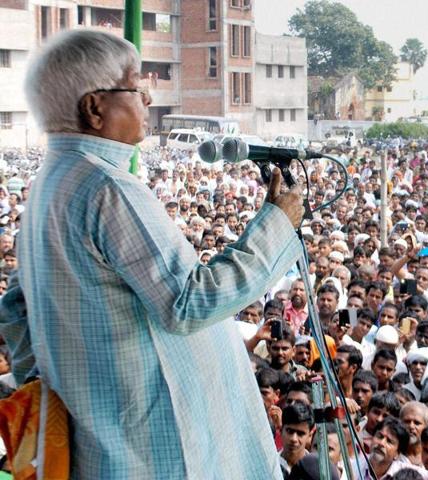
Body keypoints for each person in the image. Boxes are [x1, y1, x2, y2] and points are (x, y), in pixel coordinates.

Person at [0, 30, 305, 479]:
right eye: (137, 86)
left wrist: (56, 394)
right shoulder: (108, 188)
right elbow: (189, 303)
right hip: (155, 452)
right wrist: (277, 223)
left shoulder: (49, 182)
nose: (147, 99)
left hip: (103, 446)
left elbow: (15, 308)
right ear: (94, 108)